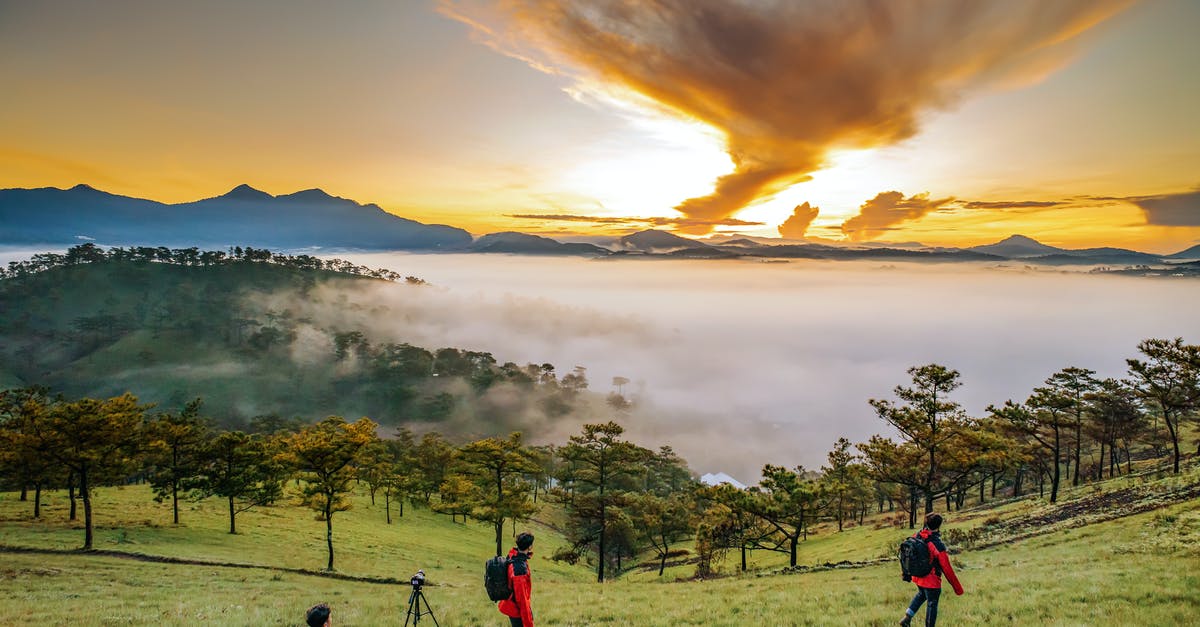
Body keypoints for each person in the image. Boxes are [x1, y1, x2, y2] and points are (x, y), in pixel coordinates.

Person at [900, 513, 963, 627]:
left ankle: (907, 618)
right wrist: (958, 589)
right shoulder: (936, 543)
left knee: (921, 594)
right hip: (931, 580)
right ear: (938, 526)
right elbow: (947, 568)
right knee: (932, 604)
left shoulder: (917, 536)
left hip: (918, 577)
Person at [498, 531, 535, 627]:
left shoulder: (513, 556)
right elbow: (522, 600)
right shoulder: (520, 570)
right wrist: (528, 623)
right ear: (530, 546)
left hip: (511, 604)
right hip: (516, 609)